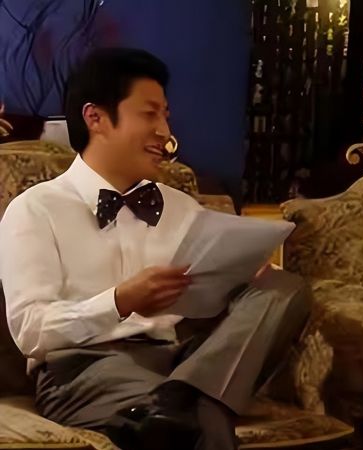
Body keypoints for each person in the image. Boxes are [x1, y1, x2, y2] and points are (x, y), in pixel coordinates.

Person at [0, 48, 311, 450]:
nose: (165, 132)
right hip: (85, 370)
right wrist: (120, 300)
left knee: (284, 288)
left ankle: (179, 400)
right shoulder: (35, 208)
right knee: (201, 419)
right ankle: (190, 405)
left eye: (165, 115)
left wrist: (245, 277)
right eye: (149, 114)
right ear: (95, 118)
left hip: (182, 361)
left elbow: (220, 295)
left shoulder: (181, 207)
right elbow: (31, 330)